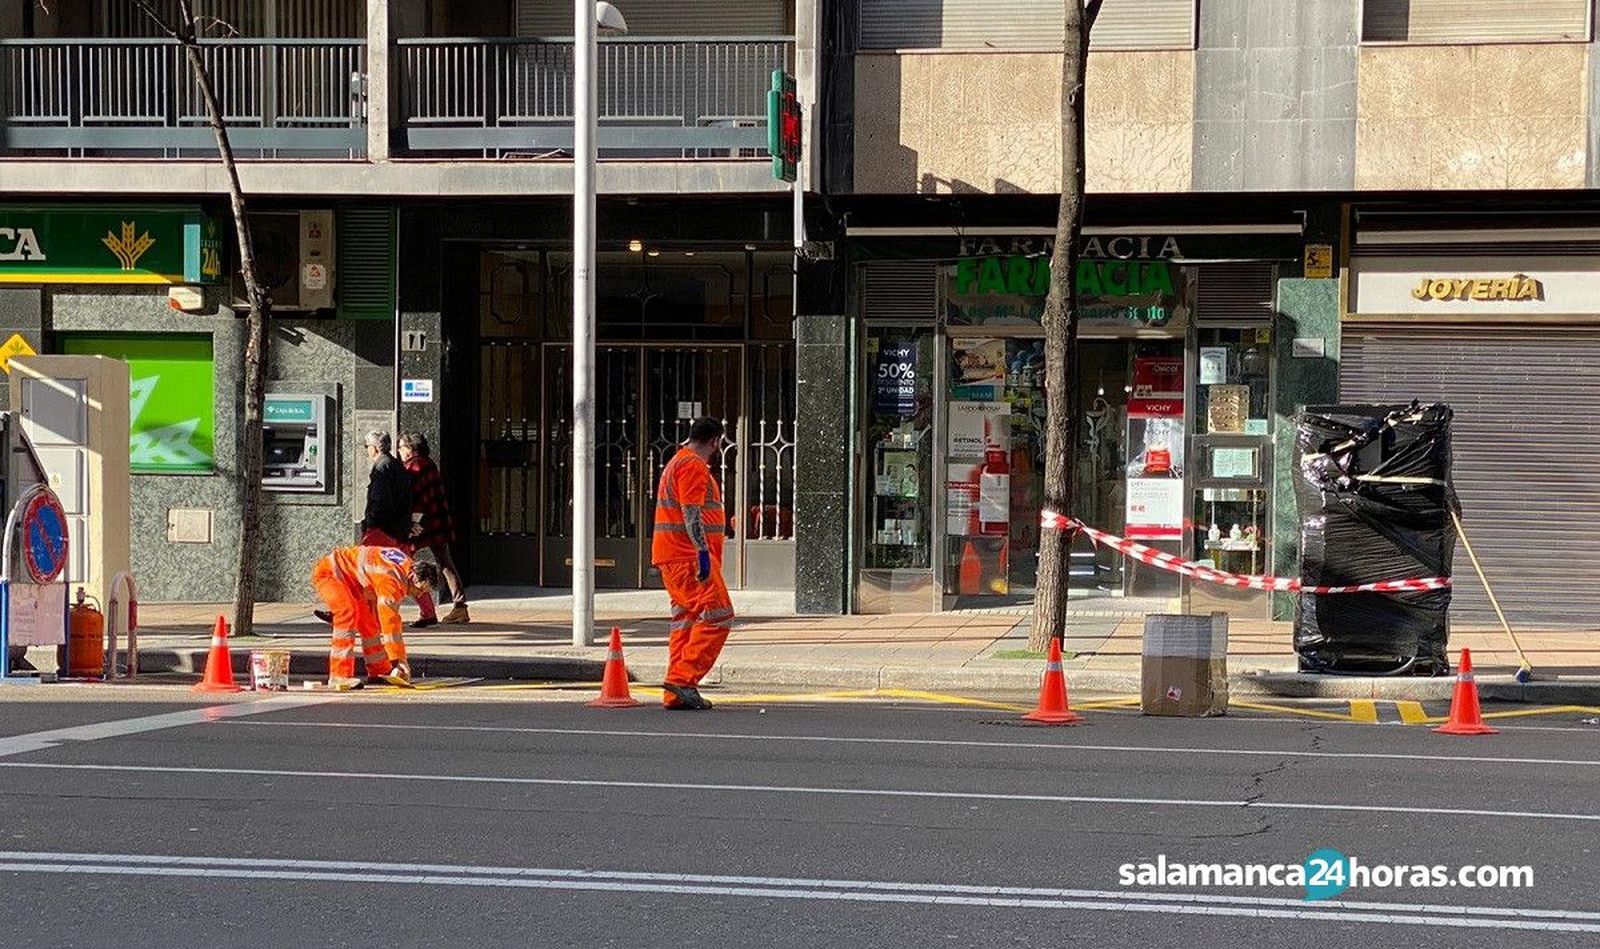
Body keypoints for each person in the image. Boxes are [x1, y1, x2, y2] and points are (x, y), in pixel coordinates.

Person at [650, 417, 734, 710]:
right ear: (716, 441)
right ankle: (683, 681)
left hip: (674, 557)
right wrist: (701, 554)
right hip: (689, 558)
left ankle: (675, 692)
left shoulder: (677, 462)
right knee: (719, 615)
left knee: (685, 621)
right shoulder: (692, 466)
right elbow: (691, 513)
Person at [310, 544, 438, 689]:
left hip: (352, 581)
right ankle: (339, 675)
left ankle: (379, 670)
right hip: (330, 574)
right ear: (413, 577)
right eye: (420, 589)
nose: (419, 595)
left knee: (369, 623)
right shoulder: (391, 579)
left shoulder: (405, 567)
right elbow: (390, 622)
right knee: (347, 613)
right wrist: (399, 659)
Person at [399, 432, 469, 627]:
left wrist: (411, 525)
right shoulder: (429, 463)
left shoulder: (414, 466)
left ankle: (424, 606)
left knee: (403, 561)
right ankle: (460, 605)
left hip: (421, 525)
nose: (399, 452)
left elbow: (414, 499)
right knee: (445, 562)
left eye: (401, 447)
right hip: (437, 521)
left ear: (410, 448)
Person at [361, 430, 411, 547]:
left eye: (367, 446)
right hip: (398, 528)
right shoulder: (395, 463)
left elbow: (381, 501)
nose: (367, 450)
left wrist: (371, 522)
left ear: (374, 448)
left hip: (384, 530)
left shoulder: (381, 467)